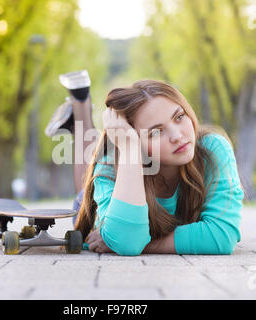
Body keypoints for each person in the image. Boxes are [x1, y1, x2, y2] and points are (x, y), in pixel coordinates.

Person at [51, 75, 245, 256]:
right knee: (85, 186)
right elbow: (127, 241)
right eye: (155, 132)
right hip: (96, 204)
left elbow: (221, 235)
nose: (178, 136)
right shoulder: (110, 164)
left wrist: (144, 244)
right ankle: (79, 113)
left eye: (179, 117)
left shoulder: (212, 149)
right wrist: (129, 149)